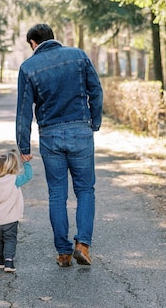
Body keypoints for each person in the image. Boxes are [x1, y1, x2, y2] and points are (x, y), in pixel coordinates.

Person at [16, 23, 103, 267]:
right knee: (85, 190)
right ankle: (83, 245)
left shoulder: (28, 67)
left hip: (50, 136)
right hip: (80, 132)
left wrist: (23, 147)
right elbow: (95, 90)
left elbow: (24, 111)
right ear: (53, 38)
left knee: (57, 195)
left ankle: (64, 253)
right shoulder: (78, 56)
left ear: (33, 43)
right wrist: (94, 122)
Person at [0, 150, 33, 273]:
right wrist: (27, 163)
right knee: (10, 239)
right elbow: (28, 176)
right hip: (10, 218)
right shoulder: (14, 180)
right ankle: (9, 261)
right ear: (14, 166)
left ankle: (0, 261)